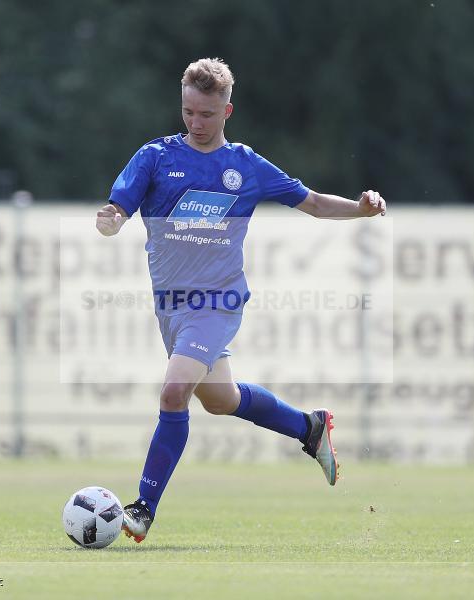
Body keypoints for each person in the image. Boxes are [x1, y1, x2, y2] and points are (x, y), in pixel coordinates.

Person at [96, 57, 387, 542]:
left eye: (207, 114)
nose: (196, 122)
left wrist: (359, 209)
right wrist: (110, 218)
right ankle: (309, 427)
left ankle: (143, 508)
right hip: (171, 307)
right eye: (189, 111)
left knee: (174, 391)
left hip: (216, 303)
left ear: (227, 111)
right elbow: (118, 206)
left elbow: (312, 203)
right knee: (220, 399)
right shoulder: (155, 157)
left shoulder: (245, 165)